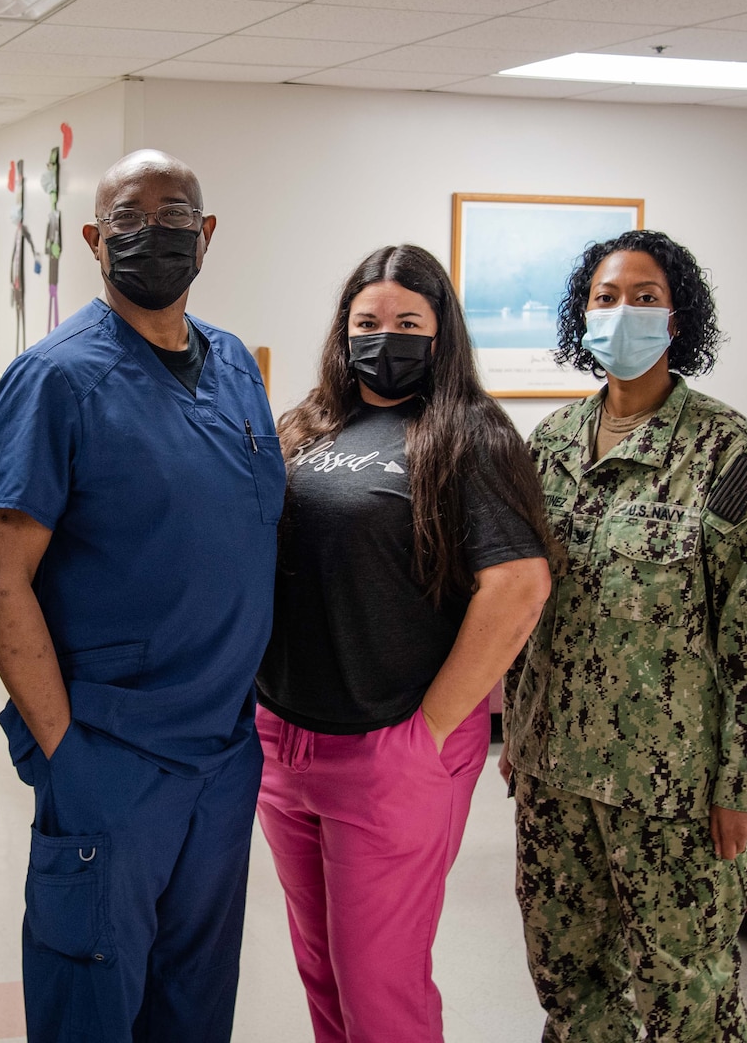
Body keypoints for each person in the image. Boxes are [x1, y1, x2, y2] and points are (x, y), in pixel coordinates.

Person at [0, 149, 283, 1041]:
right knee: (93, 1009)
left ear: (207, 234)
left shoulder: (236, 367)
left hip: (222, 759)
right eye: (129, 219)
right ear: (95, 241)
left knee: (195, 1005)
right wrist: (67, 747)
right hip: (113, 755)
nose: (154, 233)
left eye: (175, 215)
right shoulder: (58, 378)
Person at [503, 229, 747, 1042]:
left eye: (644, 298)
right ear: (583, 317)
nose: (622, 314)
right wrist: (514, 729)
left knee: (686, 1002)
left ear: (677, 321)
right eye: (605, 299)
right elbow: (523, 607)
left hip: (675, 797)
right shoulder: (547, 450)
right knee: (568, 989)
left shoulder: (728, 455)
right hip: (556, 782)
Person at [255, 244, 552, 1042]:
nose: (385, 337)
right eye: (367, 321)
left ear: (441, 332)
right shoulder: (309, 425)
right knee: (320, 974)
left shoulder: (470, 437)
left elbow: (519, 586)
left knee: (379, 989)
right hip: (286, 742)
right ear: (343, 331)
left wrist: (428, 733)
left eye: (408, 322)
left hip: (391, 749)